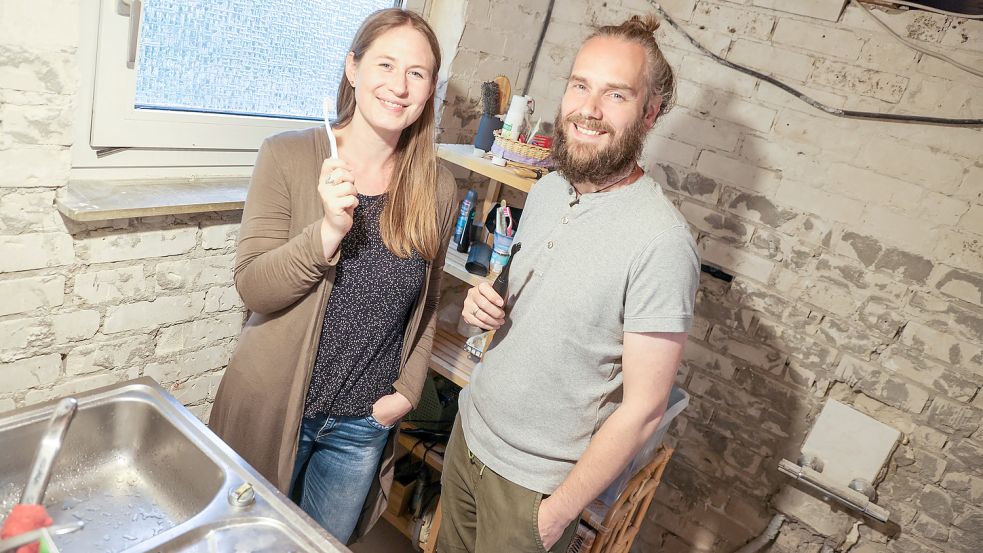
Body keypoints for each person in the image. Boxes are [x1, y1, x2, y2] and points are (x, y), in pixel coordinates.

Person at [436, 14, 699, 553]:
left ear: (650, 113)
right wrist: (486, 300)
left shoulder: (662, 243)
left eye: (616, 95)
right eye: (580, 85)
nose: (589, 110)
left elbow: (644, 409)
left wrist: (556, 514)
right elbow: (527, 291)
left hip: (535, 490)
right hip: (470, 437)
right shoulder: (552, 186)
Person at [208, 8, 456, 544]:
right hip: (275, 410)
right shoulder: (288, 156)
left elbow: (428, 301)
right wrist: (326, 232)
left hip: (362, 424)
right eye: (385, 64)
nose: (399, 85)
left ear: (431, 87)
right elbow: (254, 287)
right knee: (243, 541)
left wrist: (407, 393)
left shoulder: (436, 186)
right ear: (353, 68)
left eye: (417, 73)